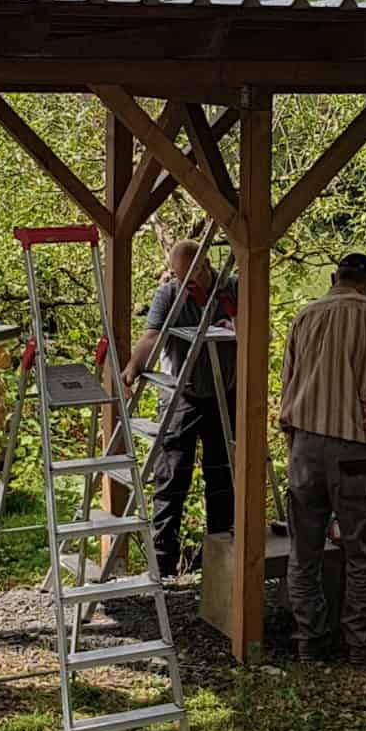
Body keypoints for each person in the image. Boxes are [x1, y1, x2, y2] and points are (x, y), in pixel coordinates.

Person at [278, 251, 366, 663]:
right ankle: (361, 639)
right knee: (360, 548)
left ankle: (310, 638)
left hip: (304, 445)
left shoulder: (304, 316)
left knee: (304, 550)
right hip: (352, 446)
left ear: (333, 277)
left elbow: (287, 383)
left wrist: (292, 442)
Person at [124, 238, 236, 580]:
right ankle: (163, 561)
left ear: (206, 266)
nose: (184, 281)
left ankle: (220, 557)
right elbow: (151, 337)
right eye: (178, 274)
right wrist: (132, 369)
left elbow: (261, 332)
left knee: (222, 474)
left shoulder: (233, 288)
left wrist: (234, 323)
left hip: (225, 393)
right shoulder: (169, 294)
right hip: (180, 393)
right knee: (171, 474)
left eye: (190, 274)